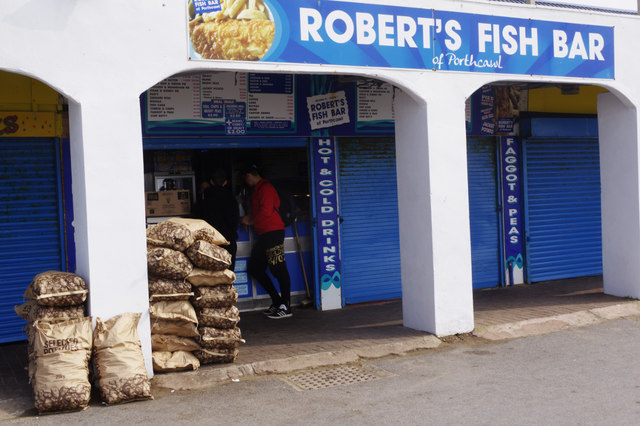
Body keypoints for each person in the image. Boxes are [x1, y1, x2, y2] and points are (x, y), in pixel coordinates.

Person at [240, 164, 292, 319]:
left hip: (273, 232)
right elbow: (258, 211)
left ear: (249, 175)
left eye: (245, 177)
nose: (245, 181)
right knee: (255, 268)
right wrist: (249, 219)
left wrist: (250, 220)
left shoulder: (266, 188)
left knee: (278, 267)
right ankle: (277, 301)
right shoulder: (256, 190)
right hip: (264, 233)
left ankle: (286, 305)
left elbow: (266, 211)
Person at [201, 169, 240, 270]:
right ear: (225, 182)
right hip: (228, 240)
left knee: (212, 276)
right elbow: (235, 222)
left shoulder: (205, 198)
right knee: (228, 275)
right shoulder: (231, 198)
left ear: (211, 182)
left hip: (211, 242)